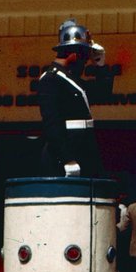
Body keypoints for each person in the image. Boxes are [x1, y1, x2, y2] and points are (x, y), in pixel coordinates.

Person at [37, 18, 106, 177]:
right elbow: (52, 123)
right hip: (66, 155)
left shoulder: (72, 80)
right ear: (74, 55)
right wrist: (67, 158)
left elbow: (102, 94)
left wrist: (101, 65)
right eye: (85, 57)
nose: (86, 62)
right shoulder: (51, 79)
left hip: (84, 150)